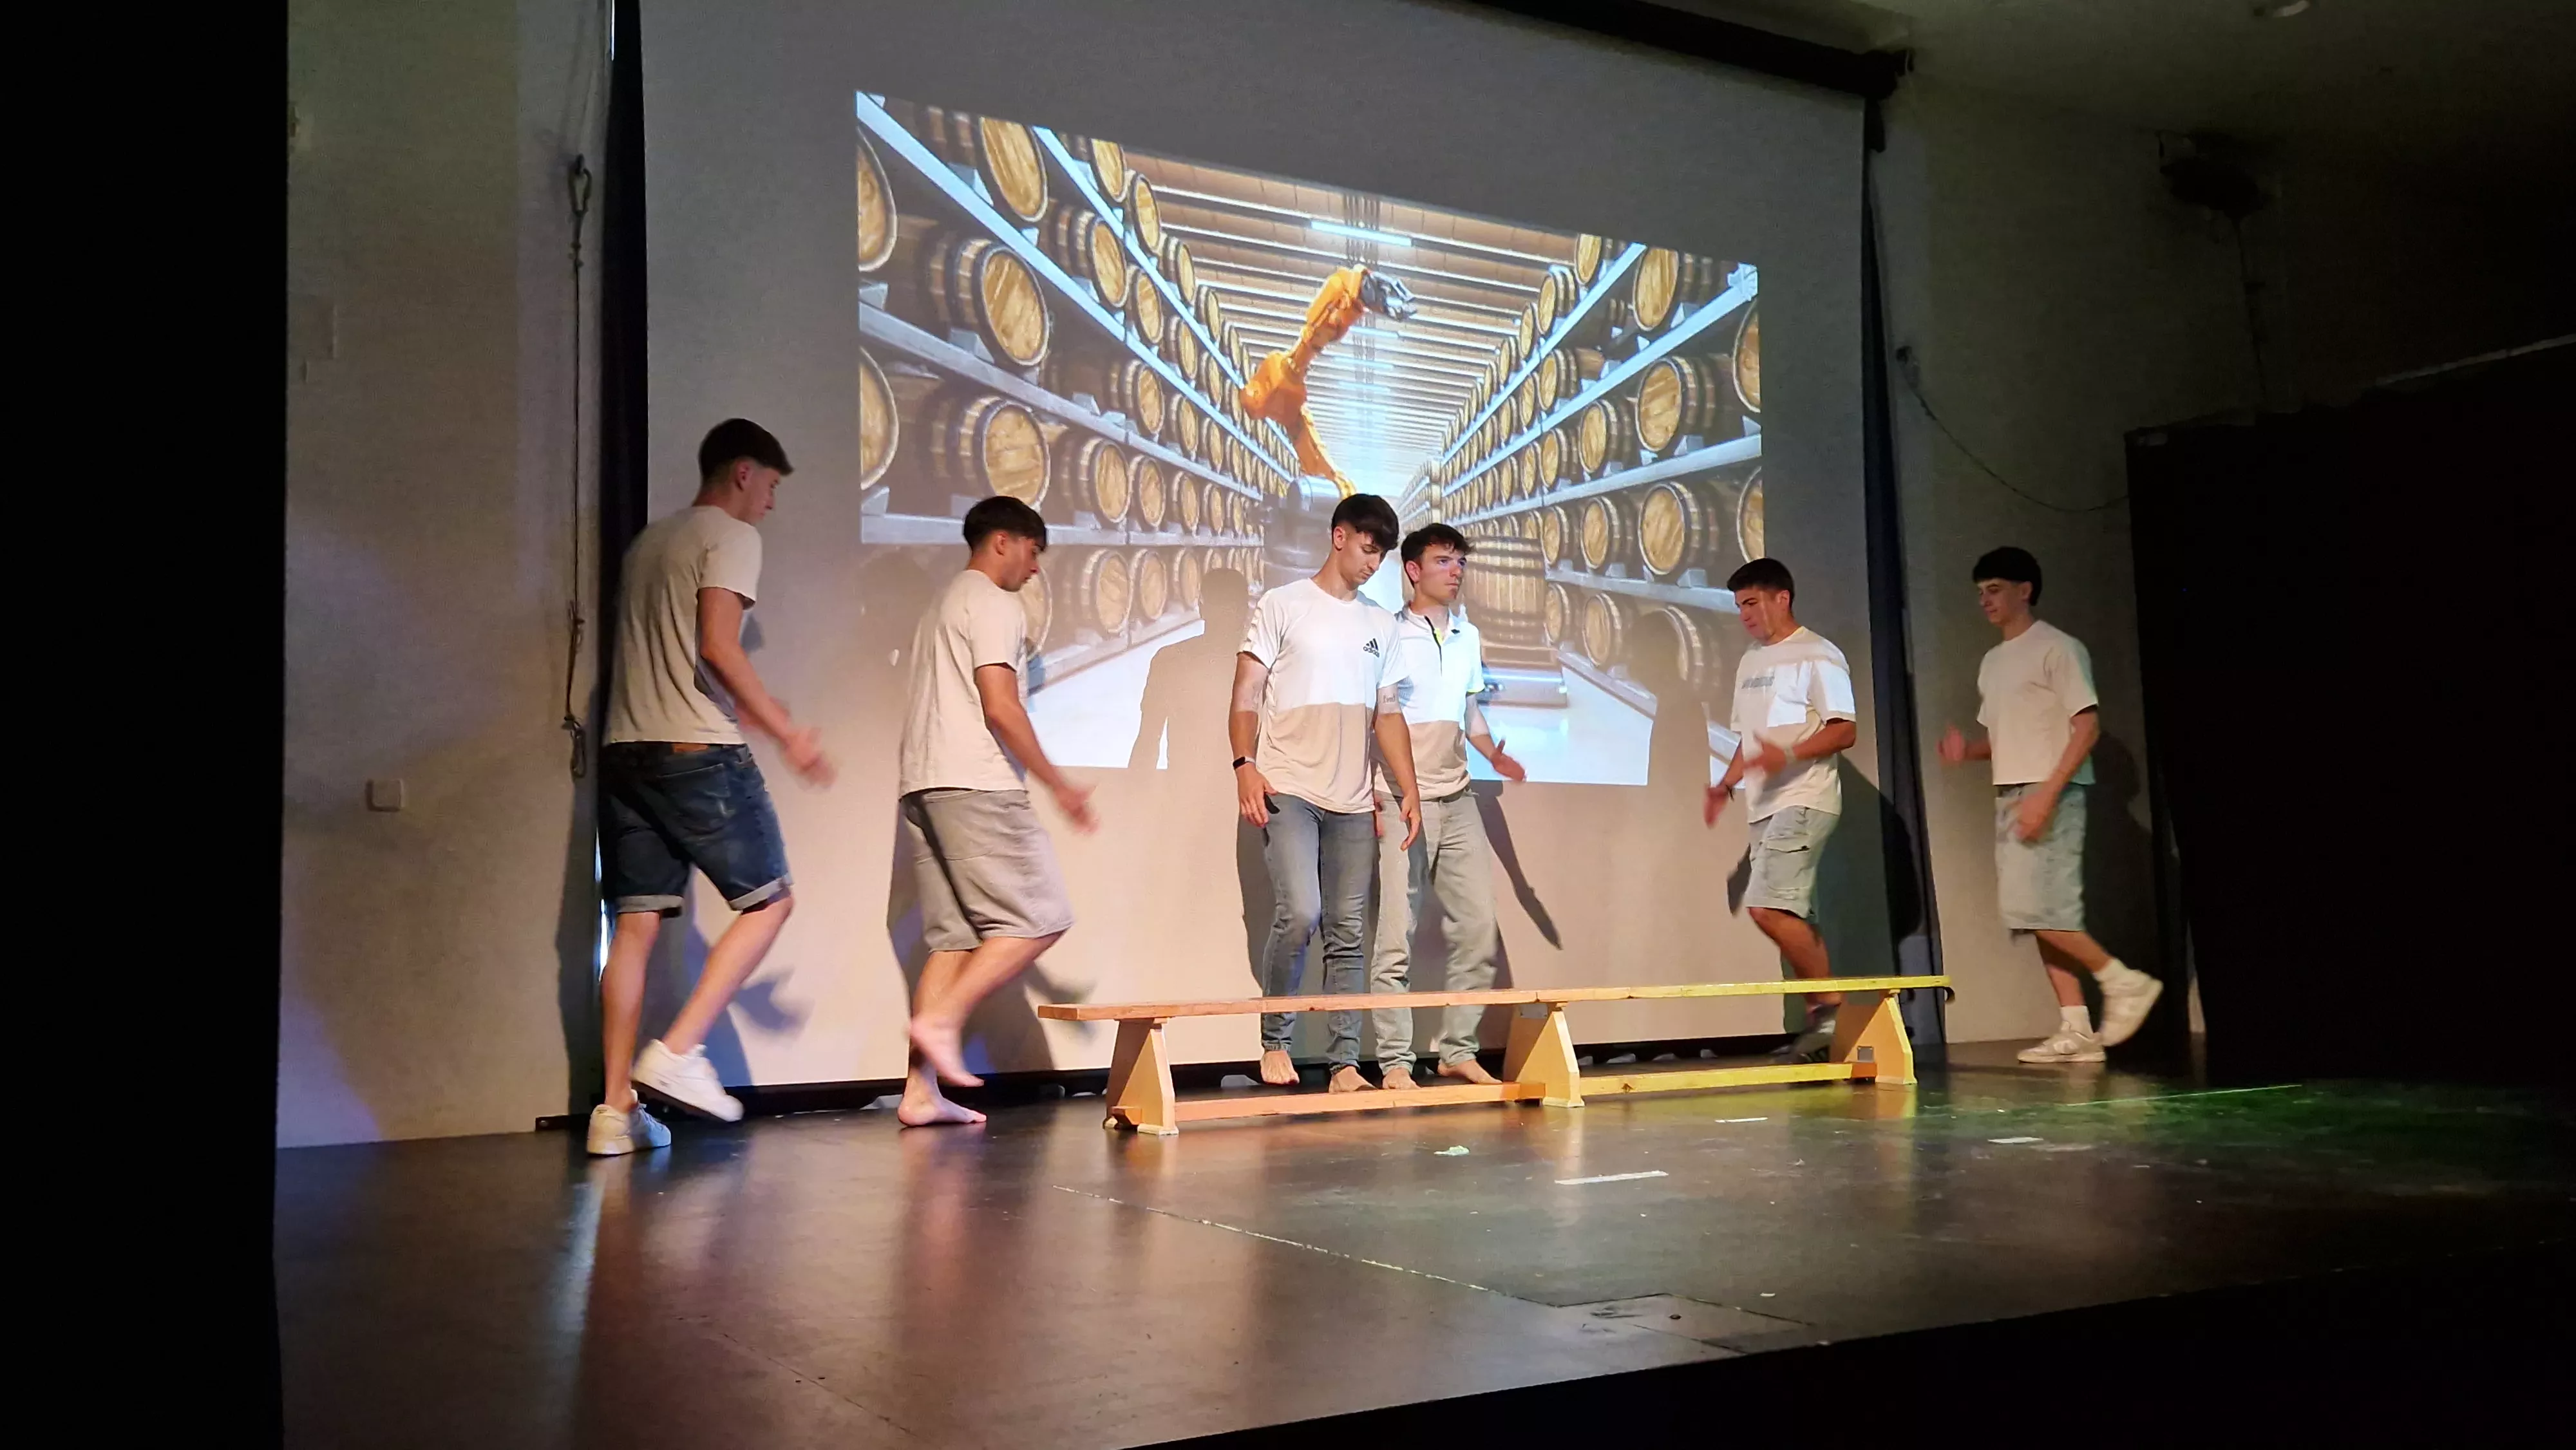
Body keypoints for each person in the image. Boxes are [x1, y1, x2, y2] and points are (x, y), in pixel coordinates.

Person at [591, 419, 837, 1156]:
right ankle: (679, 1049)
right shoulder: (730, 535)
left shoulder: (647, 543)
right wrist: (784, 730)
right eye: (771, 485)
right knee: (771, 900)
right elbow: (717, 645)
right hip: (697, 747)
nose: (770, 501)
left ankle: (614, 1110)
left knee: (632, 928)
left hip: (625, 749)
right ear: (741, 472)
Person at [896, 496, 1097, 1125]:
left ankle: (918, 1091)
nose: (1035, 569)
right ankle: (942, 1019)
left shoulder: (942, 603)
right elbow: (1001, 705)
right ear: (1004, 541)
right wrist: (1058, 784)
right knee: (1042, 916)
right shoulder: (993, 602)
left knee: (954, 940)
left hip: (923, 784)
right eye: (1033, 552)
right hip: (974, 783)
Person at [1938, 547, 2162, 1062]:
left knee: (2044, 910)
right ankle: (2077, 1028)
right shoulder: (1993, 661)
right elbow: (2008, 735)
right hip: (2011, 793)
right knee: (2031, 912)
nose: (1985, 601)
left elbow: (2087, 727)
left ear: (2025, 590)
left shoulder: (2058, 648)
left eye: (1994, 590)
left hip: (2051, 792)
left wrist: (2046, 795)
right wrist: (1967, 751)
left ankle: (2123, 981)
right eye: (1980, 593)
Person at [1231, 494, 1422, 1092]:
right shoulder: (1282, 604)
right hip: (1288, 785)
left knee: (1348, 931)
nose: (1374, 563)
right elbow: (1244, 696)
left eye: (1383, 555)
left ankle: (1344, 1063)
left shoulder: (1381, 624)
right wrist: (1243, 764)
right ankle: (1275, 1042)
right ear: (1339, 536)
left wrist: (1407, 788)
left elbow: (1387, 715)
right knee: (1301, 913)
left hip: (1352, 799)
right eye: (1368, 549)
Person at [1368, 525, 1525, 1089]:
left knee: (1479, 929)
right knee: (1395, 936)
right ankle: (1393, 1062)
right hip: (1400, 800)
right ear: (1412, 570)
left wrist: (1493, 755)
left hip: (1459, 799)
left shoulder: (1467, 633)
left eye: (1460, 561)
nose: (1455, 570)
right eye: (1443, 561)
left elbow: (1470, 712)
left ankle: (1457, 1050)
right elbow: (1378, 717)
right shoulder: (1385, 633)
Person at [1703, 558, 1858, 1064]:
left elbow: (1844, 730)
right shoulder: (1751, 660)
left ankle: (1833, 1011)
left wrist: (1787, 755)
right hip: (1763, 806)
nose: (1745, 615)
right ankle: (1824, 1026)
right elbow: (1749, 742)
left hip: (1805, 798)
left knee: (1766, 907)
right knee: (1787, 914)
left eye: (1751, 603)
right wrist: (1725, 783)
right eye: (1739, 606)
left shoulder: (1818, 654)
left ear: (1781, 599)